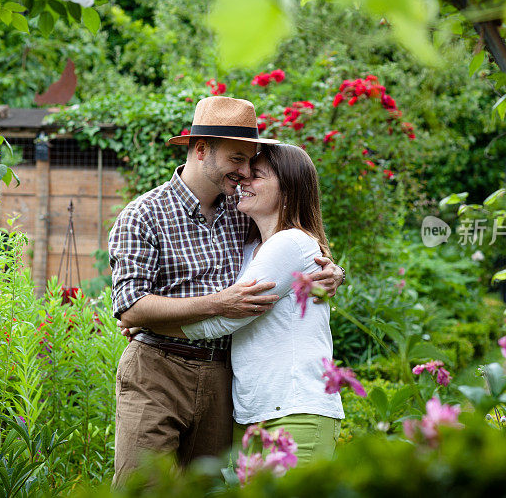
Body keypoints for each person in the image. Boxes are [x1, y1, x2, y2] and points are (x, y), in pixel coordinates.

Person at [107, 96, 344, 484]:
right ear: (201, 150)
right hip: (157, 370)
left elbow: (292, 245)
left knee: (205, 489)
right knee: (141, 487)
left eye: (252, 163)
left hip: (222, 377)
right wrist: (215, 303)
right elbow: (131, 306)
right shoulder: (144, 214)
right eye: (237, 159)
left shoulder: (241, 214)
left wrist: (332, 272)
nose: (245, 172)